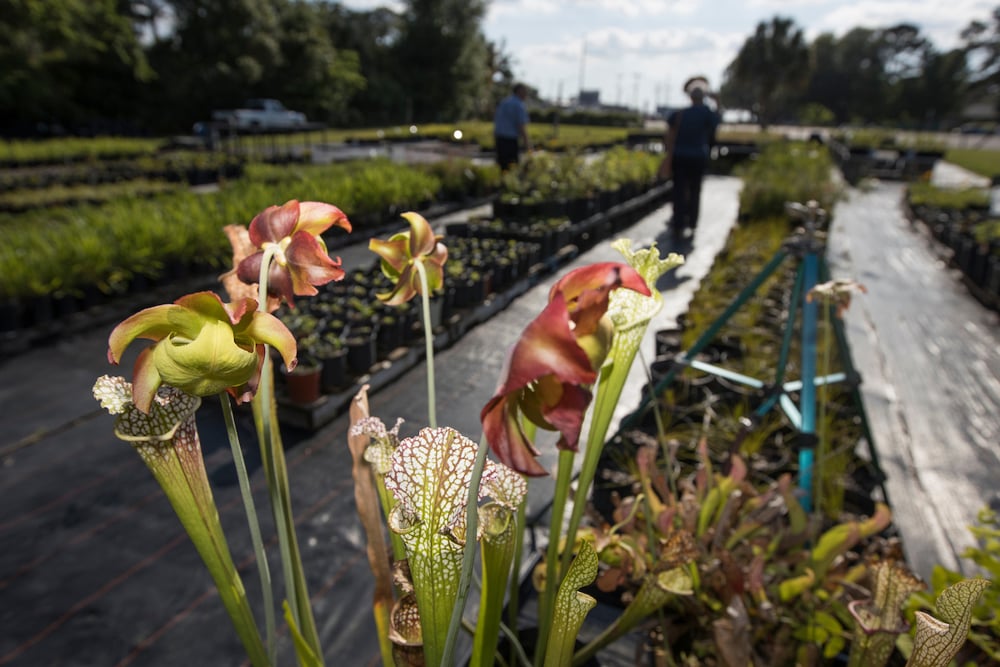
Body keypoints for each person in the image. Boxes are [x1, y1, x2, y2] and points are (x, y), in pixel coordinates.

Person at [660, 76, 721, 238]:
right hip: (698, 158)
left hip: (680, 157)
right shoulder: (707, 113)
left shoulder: (680, 114)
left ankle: (678, 222)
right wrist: (718, 103)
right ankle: (692, 222)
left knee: (679, 190)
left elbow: (669, 132)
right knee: (695, 191)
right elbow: (717, 123)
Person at [494, 83, 531, 170]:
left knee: (502, 166)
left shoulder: (504, 102)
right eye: (525, 92)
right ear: (519, 91)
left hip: (500, 139)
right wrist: (527, 145)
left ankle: (503, 183)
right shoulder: (518, 105)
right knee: (512, 166)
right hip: (510, 140)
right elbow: (521, 126)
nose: (526, 94)